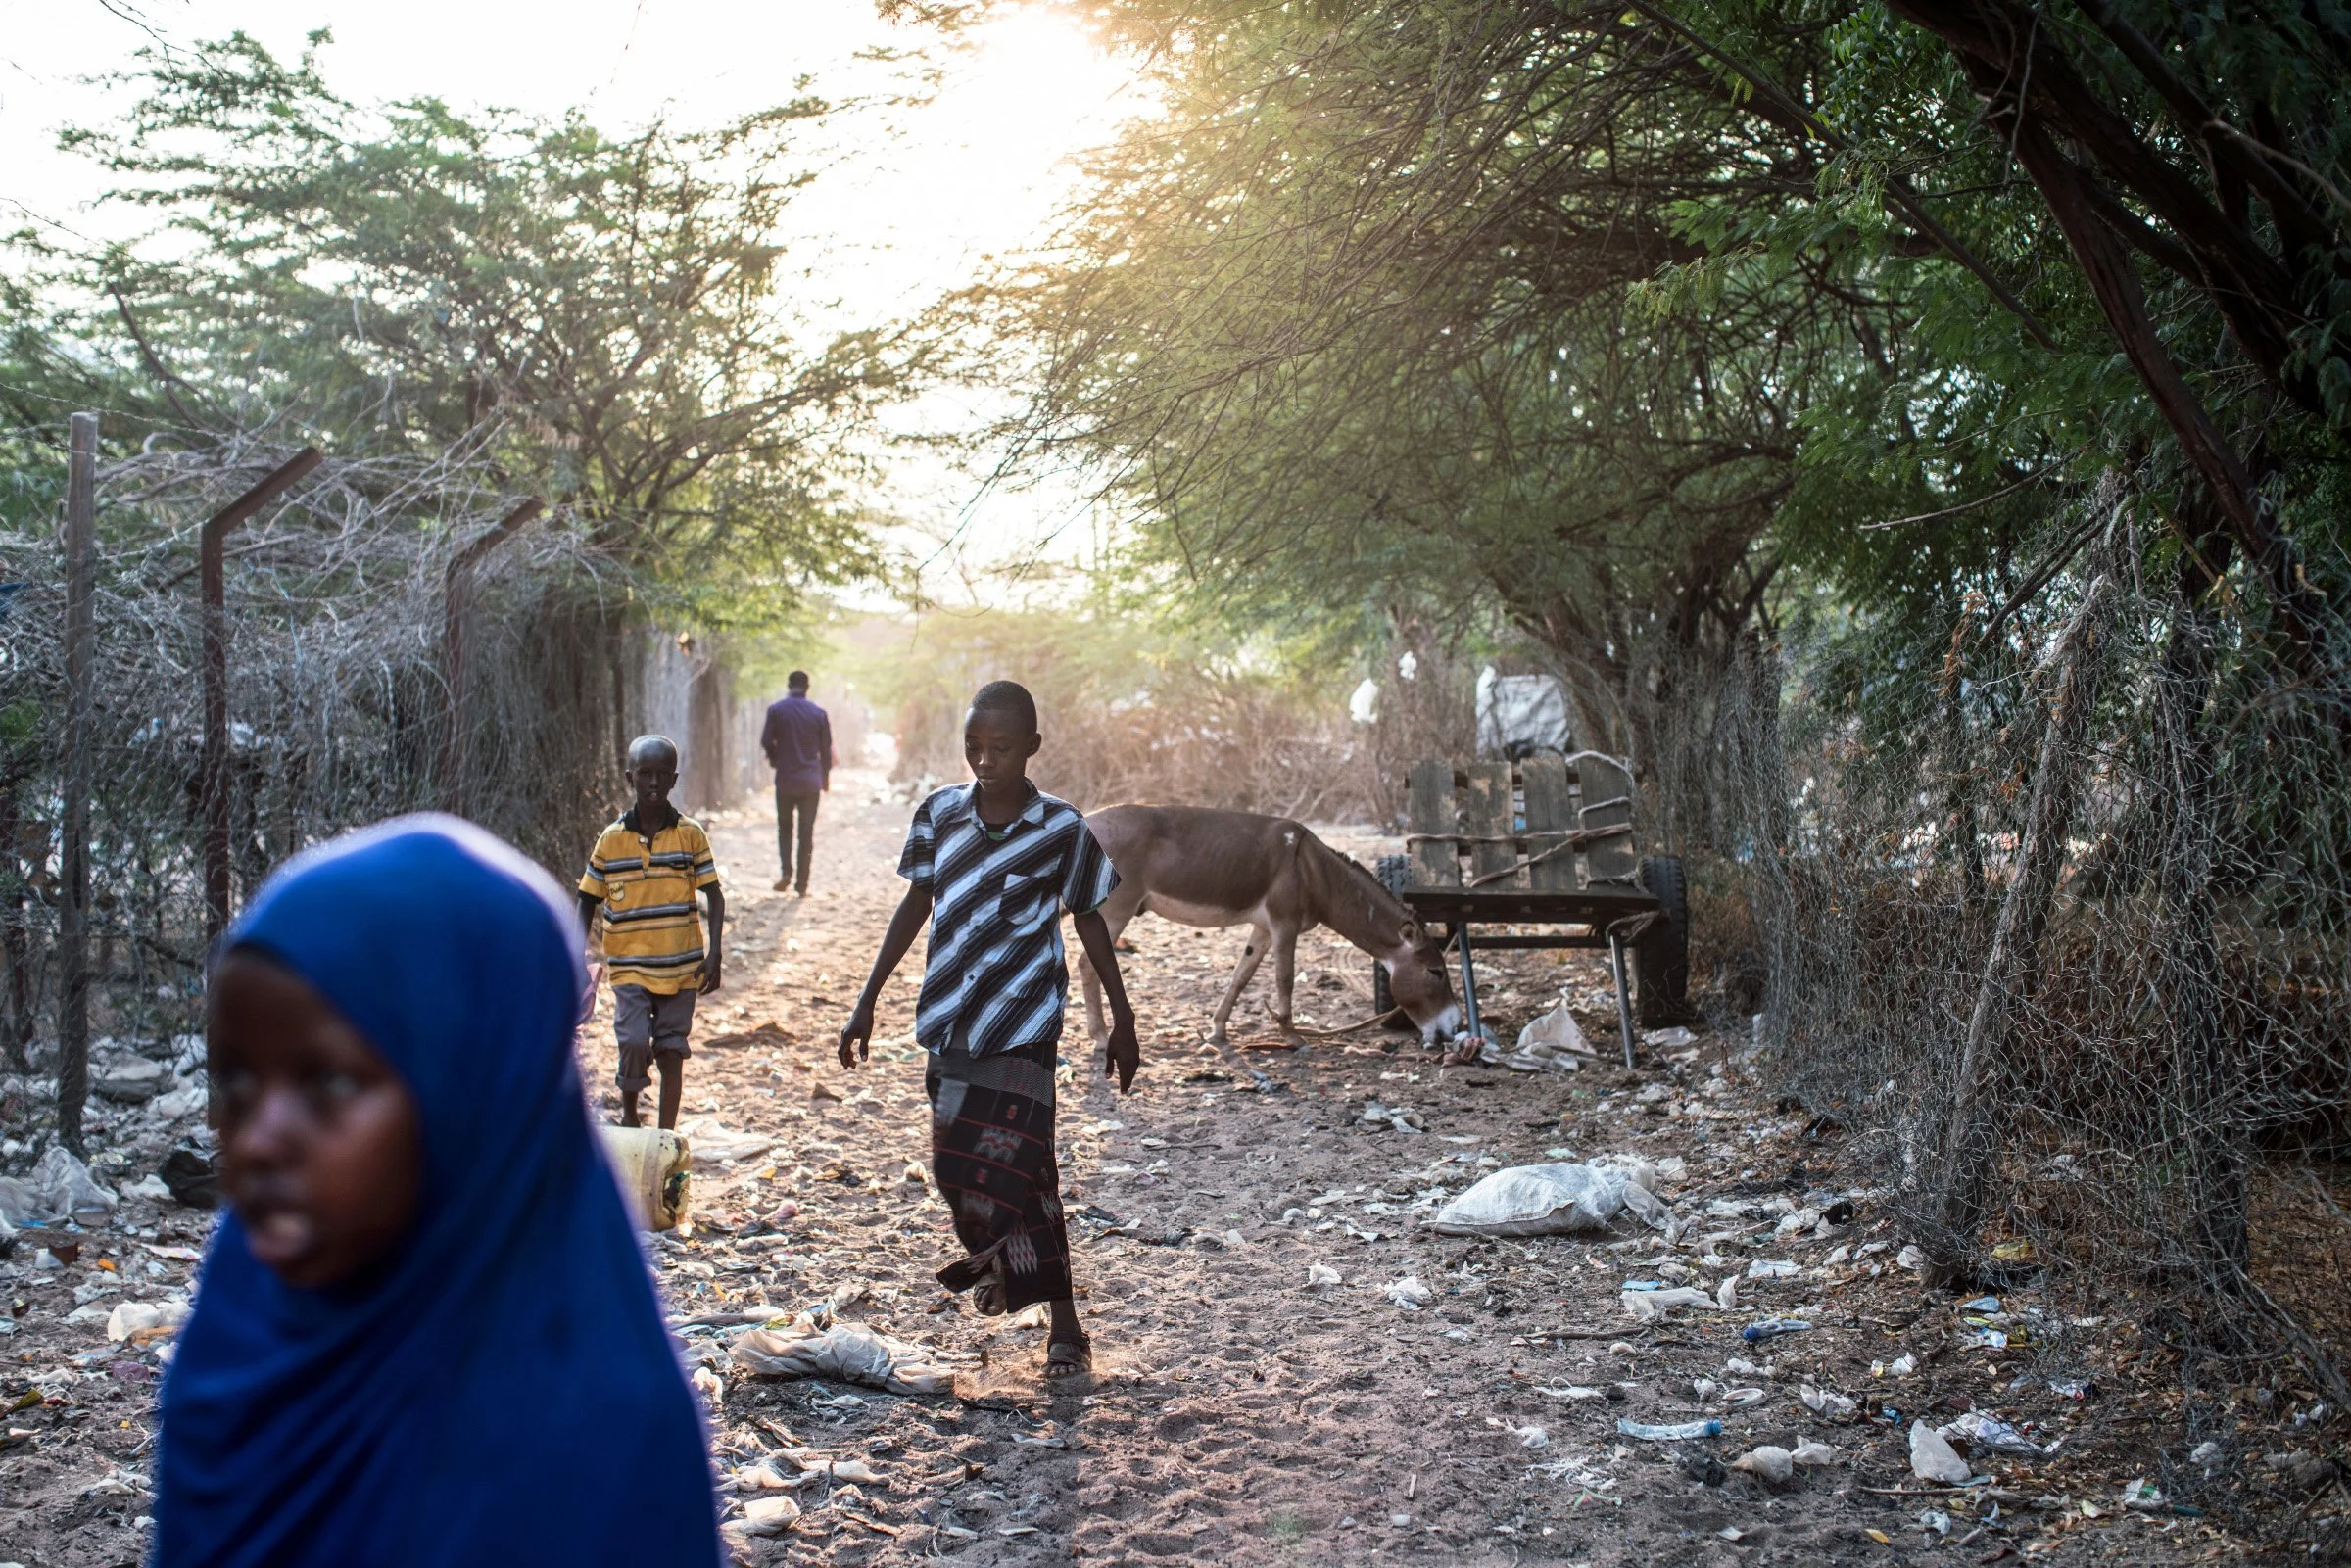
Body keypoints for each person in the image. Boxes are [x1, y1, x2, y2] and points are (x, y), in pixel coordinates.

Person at [155, 816, 723, 1567]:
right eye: (235, 1079)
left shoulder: (600, 1439)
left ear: (476, 1092)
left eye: (327, 1082)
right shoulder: (236, 1341)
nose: (256, 1138)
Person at [839, 680, 1139, 1380]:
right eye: (973, 745)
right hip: (950, 1021)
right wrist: (866, 998)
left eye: (1000, 747)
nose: (984, 760)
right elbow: (916, 902)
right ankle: (1000, 1256)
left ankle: (1065, 1326)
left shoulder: (1062, 828)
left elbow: (1090, 917)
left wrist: (1123, 1016)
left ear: (1032, 746)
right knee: (956, 1166)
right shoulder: (939, 814)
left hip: (1023, 1024)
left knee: (1031, 1169)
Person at [577, 735, 725, 1130]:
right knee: (633, 1041)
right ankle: (629, 1117)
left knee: (672, 1050)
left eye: (662, 774)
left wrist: (715, 953)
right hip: (630, 967)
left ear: (674, 779)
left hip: (681, 967)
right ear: (630, 777)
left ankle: (665, 1134)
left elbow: (714, 895)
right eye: (645, 774)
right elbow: (586, 898)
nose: (654, 783)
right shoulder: (611, 840)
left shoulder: (690, 834)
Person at [759, 669, 834, 895]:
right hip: (811, 781)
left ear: (788, 685)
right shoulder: (818, 713)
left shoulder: (776, 710)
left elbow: (766, 741)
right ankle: (802, 884)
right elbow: (826, 751)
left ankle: (786, 872)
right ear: (807, 687)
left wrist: (775, 759)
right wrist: (825, 778)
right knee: (806, 832)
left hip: (785, 779)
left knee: (785, 828)